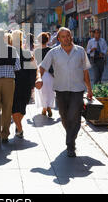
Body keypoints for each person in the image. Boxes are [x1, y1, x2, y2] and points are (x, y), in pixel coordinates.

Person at [39, 27, 93, 157]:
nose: (66, 38)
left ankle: (70, 145)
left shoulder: (80, 51)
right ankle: (71, 137)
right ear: (58, 39)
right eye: (63, 36)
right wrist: (38, 79)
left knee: (74, 116)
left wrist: (89, 89)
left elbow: (85, 71)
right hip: (61, 89)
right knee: (64, 117)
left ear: (71, 37)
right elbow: (42, 67)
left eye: (68, 36)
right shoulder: (53, 53)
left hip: (77, 89)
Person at [11, 30, 37, 139]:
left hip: (15, 83)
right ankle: (19, 127)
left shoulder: (11, 53)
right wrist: (32, 85)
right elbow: (33, 70)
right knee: (21, 107)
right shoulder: (25, 54)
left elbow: (33, 69)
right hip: (23, 83)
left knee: (16, 107)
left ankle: (18, 125)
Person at [34, 32, 55, 118]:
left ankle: (44, 108)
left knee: (41, 92)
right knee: (50, 91)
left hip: (40, 73)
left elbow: (35, 63)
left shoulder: (36, 51)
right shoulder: (51, 50)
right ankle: (49, 106)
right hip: (49, 73)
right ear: (47, 40)